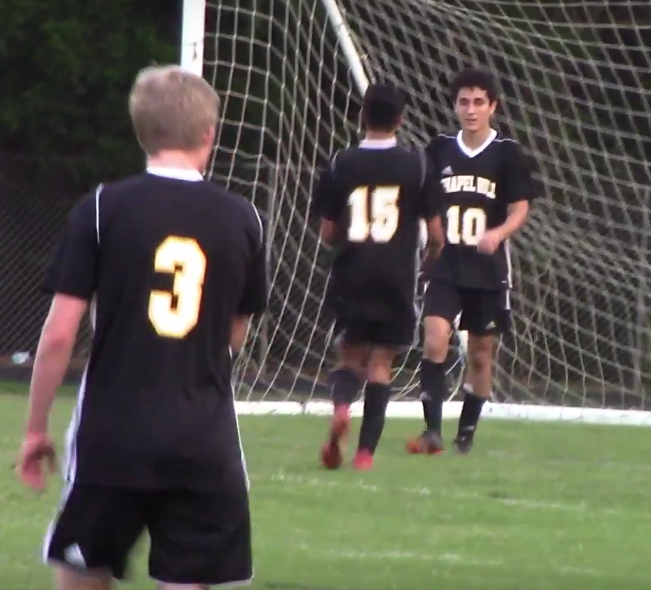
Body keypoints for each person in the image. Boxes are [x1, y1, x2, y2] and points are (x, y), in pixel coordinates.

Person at [16, 64, 267, 590]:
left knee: (85, 571)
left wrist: (36, 429)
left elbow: (59, 334)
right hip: (204, 437)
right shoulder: (243, 218)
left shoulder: (102, 208)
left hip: (113, 435)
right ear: (208, 133)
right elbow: (235, 335)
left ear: (141, 131)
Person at [312, 83, 443, 471]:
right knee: (381, 365)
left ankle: (340, 409)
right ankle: (365, 454)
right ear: (401, 120)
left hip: (353, 273)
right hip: (397, 278)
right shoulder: (416, 165)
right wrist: (429, 260)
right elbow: (436, 235)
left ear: (362, 115)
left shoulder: (341, 163)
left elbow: (327, 232)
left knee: (350, 357)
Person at [407, 67, 536, 455]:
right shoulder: (440, 149)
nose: (471, 109)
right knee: (434, 339)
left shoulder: (507, 154)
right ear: (455, 106)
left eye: (479, 102)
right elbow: (424, 200)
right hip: (445, 266)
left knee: (481, 354)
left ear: (492, 107)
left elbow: (520, 207)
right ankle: (431, 431)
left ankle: (466, 434)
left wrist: (498, 234)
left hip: (487, 270)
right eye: (464, 101)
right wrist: (431, 234)